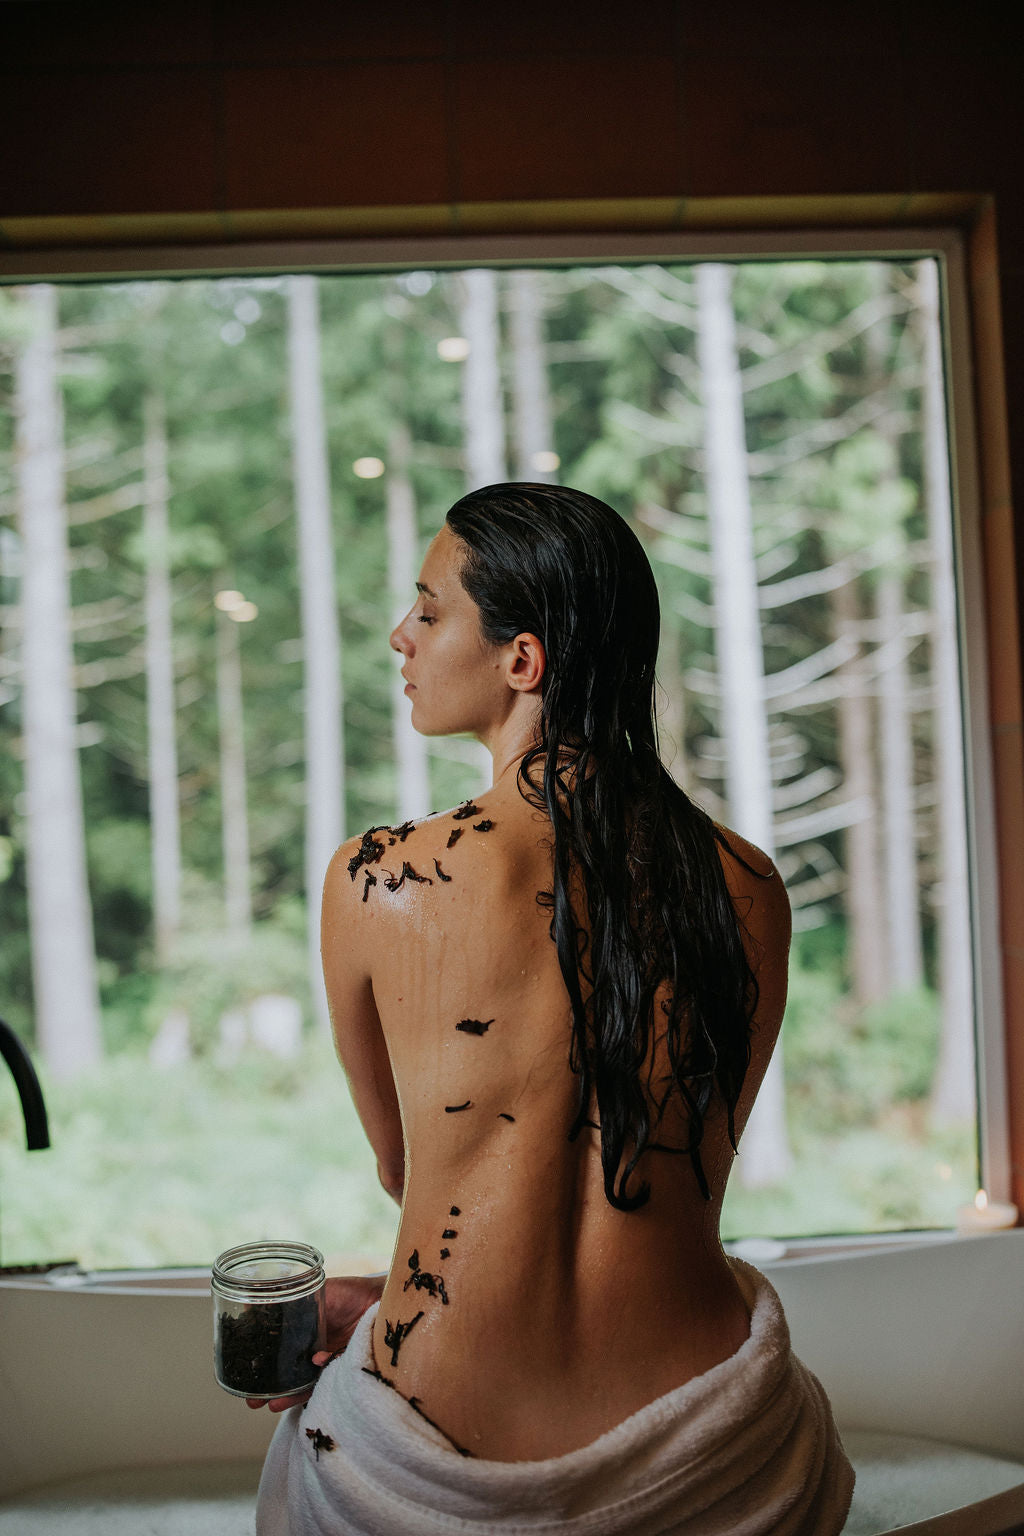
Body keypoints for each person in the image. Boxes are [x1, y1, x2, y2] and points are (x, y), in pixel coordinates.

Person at [253, 484, 854, 1535]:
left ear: (521, 660)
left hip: (424, 1464)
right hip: (718, 1462)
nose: (402, 637)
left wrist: (385, 1300)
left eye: (429, 611)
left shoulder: (376, 880)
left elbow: (413, 1173)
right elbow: (689, 1167)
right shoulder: (748, 886)